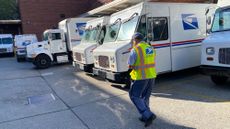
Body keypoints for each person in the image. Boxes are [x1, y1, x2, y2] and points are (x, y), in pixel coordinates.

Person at [128, 32, 157, 127]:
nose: (133, 42)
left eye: (133, 41)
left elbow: (130, 65)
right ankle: (145, 116)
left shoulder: (135, 49)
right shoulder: (150, 48)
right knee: (145, 97)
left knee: (134, 96)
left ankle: (148, 115)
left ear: (135, 40)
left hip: (140, 77)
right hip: (151, 75)